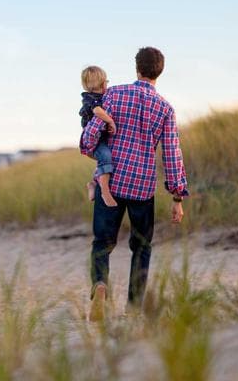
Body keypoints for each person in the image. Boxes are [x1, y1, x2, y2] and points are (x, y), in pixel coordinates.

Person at [80, 47, 189, 321]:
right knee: (141, 246)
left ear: (137, 68)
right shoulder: (165, 108)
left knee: (102, 243)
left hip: (112, 182)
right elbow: (172, 154)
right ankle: (134, 307)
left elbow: (90, 137)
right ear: (159, 71)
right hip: (142, 187)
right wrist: (177, 197)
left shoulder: (114, 94)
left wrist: (90, 144)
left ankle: (100, 286)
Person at [79, 66, 118, 207]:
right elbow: (97, 111)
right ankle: (105, 192)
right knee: (106, 156)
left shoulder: (103, 97)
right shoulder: (90, 99)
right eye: (106, 82)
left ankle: (93, 184)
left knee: (105, 160)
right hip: (94, 141)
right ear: (102, 84)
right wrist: (110, 120)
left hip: (101, 138)